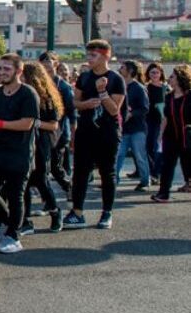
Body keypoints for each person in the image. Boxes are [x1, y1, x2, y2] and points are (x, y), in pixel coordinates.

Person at [0, 53, 39, 254]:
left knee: (15, 194)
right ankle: (7, 221)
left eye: (6, 69)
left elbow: (27, 123)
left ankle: (13, 235)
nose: (1, 73)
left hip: (19, 152)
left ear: (18, 71)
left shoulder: (28, 94)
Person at [64, 40, 125, 230]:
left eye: (93, 55)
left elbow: (115, 110)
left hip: (107, 132)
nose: (89, 59)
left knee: (107, 172)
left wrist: (102, 93)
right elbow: (74, 101)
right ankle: (77, 212)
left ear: (105, 56)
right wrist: (86, 104)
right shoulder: (84, 77)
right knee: (80, 172)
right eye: (88, 55)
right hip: (85, 131)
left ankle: (107, 213)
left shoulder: (116, 79)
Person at [19, 62, 63, 234]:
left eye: (23, 75)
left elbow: (53, 125)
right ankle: (25, 220)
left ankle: (55, 211)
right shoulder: (21, 93)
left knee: (41, 180)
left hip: (41, 142)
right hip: (24, 141)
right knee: (24, 182)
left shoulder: (47, 98)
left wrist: (34, 122)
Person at [152, 65, 191, 203]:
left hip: (187, 136)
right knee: (167, 165)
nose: (169, 79)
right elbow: (166, 117)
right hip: (171, 136)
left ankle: (189, 183)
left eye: (172, 76)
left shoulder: (189, 95)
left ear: (180, 78)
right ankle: (163, 194)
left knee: (188, 164)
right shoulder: (169, 96)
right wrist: (160, 135)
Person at [38, 52, 74, 194]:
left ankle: (70, 188)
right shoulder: (38, 83)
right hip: (42, 131)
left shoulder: (64, 86)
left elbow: (71, 113)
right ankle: (47, 199)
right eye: (44, 61)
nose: (47, 64)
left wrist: (72, 134)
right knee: (43, 167)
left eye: (50, 60)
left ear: (56, 63)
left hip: (59, 132)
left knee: (55, 167)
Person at [114, 61, 150, 191]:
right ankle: (113, 180)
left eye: (123, 67)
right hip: (123, 129)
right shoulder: (120, 86)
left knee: (140, 155)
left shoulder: (139, 88)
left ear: (129, 71)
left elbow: (145, 108)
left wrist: (131, 113)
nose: (120, 69)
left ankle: (145, 181)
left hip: (137, 128)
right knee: (118, 154)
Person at [145, 62, 168, 183]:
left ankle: (156, 173)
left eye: (157, 72)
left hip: (162, 121)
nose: (154, 74)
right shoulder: (146, 87)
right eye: (152, 72)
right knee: (149, 147)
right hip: (148, 120)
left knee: (158, 148)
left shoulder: (166, 88)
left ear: (161, 74)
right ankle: (152, 172)